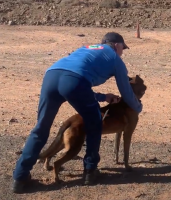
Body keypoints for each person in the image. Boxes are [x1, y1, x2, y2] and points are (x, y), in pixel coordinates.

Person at [12, 32, 143, 193]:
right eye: (123, 48)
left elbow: (73, 83)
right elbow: (126, 93)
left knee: (41, 128)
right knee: (95, 122)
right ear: (116, 45)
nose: (123, 51)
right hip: (74, 80)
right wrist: (138, 108)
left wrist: (103, 97)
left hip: (51, 75)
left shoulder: (86, 49)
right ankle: (90, 171)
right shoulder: (116, 59)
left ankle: (20, 177)